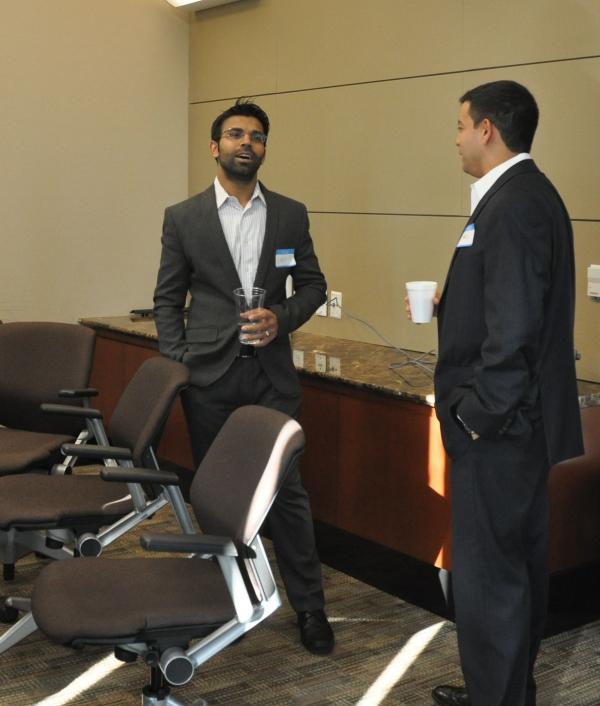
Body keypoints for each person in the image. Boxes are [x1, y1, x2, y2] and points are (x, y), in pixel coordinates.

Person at [419, 81, 583, 706]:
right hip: (517, 426)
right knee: (512, 572)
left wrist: (476, 417)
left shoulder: (513, 204)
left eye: (461, 125)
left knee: (491, 580)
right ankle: (505, 691)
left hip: (502, 430)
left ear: (487, 129)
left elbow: (514, 331)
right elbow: (509, 307)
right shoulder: (523, 196)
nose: (456, 138)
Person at [153, 98, 334, 656]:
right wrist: (182, 360)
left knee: (289, 493)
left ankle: (310, 608)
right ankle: (220, 600)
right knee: (217, 494)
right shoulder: (183, 218)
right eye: (234, 134)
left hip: (272, 379)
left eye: (256, 136)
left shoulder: (290, 214)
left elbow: (312, 286)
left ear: (263, 148)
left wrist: (282, 318)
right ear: (215, 147)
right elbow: (166, 299)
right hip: (210, 377)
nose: (245, 143)